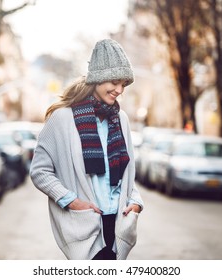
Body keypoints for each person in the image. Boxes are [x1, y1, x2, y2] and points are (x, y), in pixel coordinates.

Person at [29, 39, 144, 260]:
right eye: (114, 82)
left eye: (124, 84)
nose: (119, 90)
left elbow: (127, 177)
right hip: (85, 222)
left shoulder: (121, 119)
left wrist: (136, 203)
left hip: (118, 223)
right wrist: (71, 201)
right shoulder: (62, 118)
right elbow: (40, 172)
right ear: (97, 79)